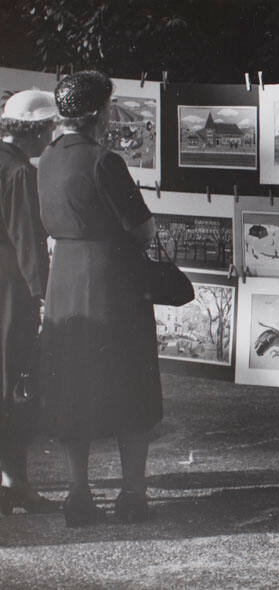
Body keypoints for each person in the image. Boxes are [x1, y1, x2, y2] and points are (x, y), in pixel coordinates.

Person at [37, 71, 161, 527]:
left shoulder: (47, 159)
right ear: (99, 113)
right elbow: (143, 231)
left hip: (64, 282)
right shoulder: (105, 161)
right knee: (132, 385)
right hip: (113, 283)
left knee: (72, 387)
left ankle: (77, 494)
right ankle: (131, 495)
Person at [0, 89, 60, 516]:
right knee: (15, 385)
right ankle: (14, 483)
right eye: (49, 128)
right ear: (35, 130)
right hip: (9, 292)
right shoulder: (20, 173)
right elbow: (28, 244)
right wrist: (43, 296)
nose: (51, 137)